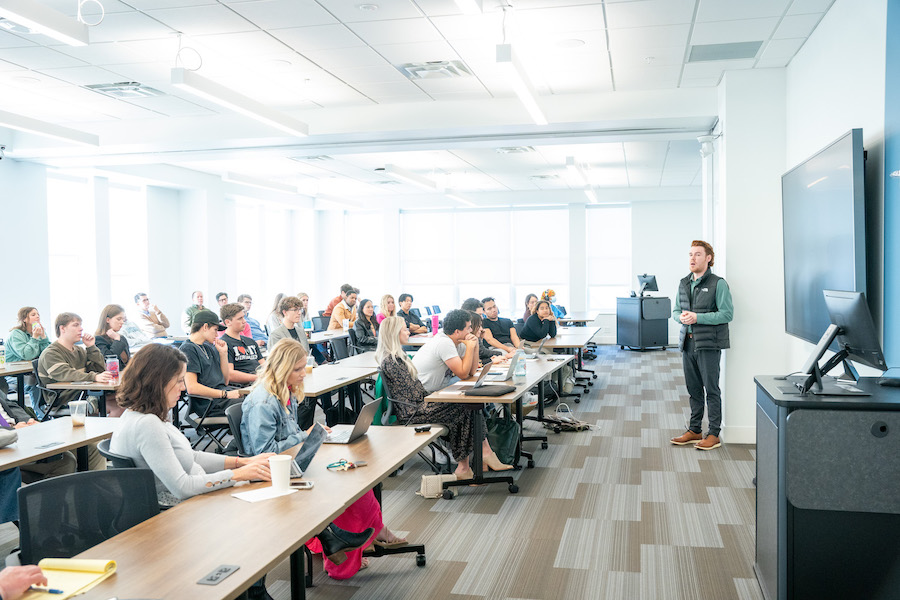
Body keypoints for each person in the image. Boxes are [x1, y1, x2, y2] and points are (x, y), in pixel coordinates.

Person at [241, 339, 405, 579]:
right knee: (341, 486)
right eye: (297, 369)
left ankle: (371, 535)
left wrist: (308, 437)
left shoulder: (283, 392)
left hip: (294, 460)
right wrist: (305, 436)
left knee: (356, 478)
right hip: (272, 473)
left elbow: (289, 436)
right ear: (281, 368)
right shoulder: (262, 402)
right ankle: (343, 548)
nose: (303, 374)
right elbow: (264, 451)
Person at [378, 316, 511, 477]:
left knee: (466, 405)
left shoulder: (399, 357)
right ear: (394, 333)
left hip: (420, 404)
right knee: (464, 406)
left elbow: (416, 391)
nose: (408, 332)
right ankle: (473, 461)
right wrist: (439, 397)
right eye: (404, 329)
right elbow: (413, 395)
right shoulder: (392, 361)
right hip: (413, 411)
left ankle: (470, 463)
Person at [670, 240, 734, 451]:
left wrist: (698, 318)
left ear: (708, 258)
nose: (692, 258)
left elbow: (727, 314)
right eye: (690, 254)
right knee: (694, 389)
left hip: (709, 344)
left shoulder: (718, 283)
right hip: (687, 344)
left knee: (711, 390)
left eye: (697, 254)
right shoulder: (683, 283)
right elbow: (676, 311)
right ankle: (694, 429)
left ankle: (713, 433)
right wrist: (683, 318)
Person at [37, 312, 113, 416]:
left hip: (83, 392)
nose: (81, 329)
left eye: (80, 325)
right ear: (62, 328)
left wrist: (91, 348)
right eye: (75, 325)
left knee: (123, 399)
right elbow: (68, 374)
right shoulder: (51, 353)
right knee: (116, 406)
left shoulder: (79, 350)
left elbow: (99, 370)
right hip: (63, 399)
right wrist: (94, 377)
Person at [0, 390, 76, 483]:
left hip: (21, 435)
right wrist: (13, 430)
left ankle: (91, 495)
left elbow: (11, 405)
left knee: (89, 448)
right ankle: (50, 497)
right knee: (66, 461)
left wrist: (28, 420)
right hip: (5, 445)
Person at [180, 309, 241, 416]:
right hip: (210, 403)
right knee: (252, 405)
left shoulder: (208, 348)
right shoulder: (188, 349)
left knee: (256, 399)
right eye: (215, 330)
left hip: (221, 398)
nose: (217, 335)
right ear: (205, 327)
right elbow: (192, 387)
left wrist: (223, 354)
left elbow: (225, 381)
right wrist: (225, 394)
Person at [412, 309, 480, 393]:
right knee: (473, 396)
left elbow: (471, 372)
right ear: (457, 332)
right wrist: (470, 348)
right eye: (469, 327)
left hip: (440, 388)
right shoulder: (444, 342)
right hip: (425, 394)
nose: (471, 330)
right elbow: (463, 374)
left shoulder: (459, 342)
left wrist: (475, 347)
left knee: (476, 387)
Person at [5, 307, 50, 411]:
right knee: (35, 383)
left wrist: (43, 338)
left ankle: (50, 409)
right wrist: (35, 337)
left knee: (47, 379)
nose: (37, 316)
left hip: (32, 372)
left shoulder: (39, 331)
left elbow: (48, 354)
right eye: (33, 314)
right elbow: (27, 355)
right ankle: (40, 415)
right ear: (24, 319)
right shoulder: (16, 334)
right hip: (13, 374)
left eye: (38, 314)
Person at [220, 303, 265, 386]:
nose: (244, 321)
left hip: (260, 382)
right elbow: (230, 374)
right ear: (228, 322)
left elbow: (264, 364)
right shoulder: (223, 344)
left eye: (243, 317)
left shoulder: (251, 342)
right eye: (240, 318)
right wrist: (258, 377)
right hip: (243, 386)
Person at [94, 304, 131, 370]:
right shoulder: (98, 339)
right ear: (108, 320)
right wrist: (117, 339)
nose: (122, 322)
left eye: (123, 319)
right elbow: (110, 360)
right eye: (119, 319)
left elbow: (127, 361)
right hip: (111, 376)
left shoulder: (121, 338)